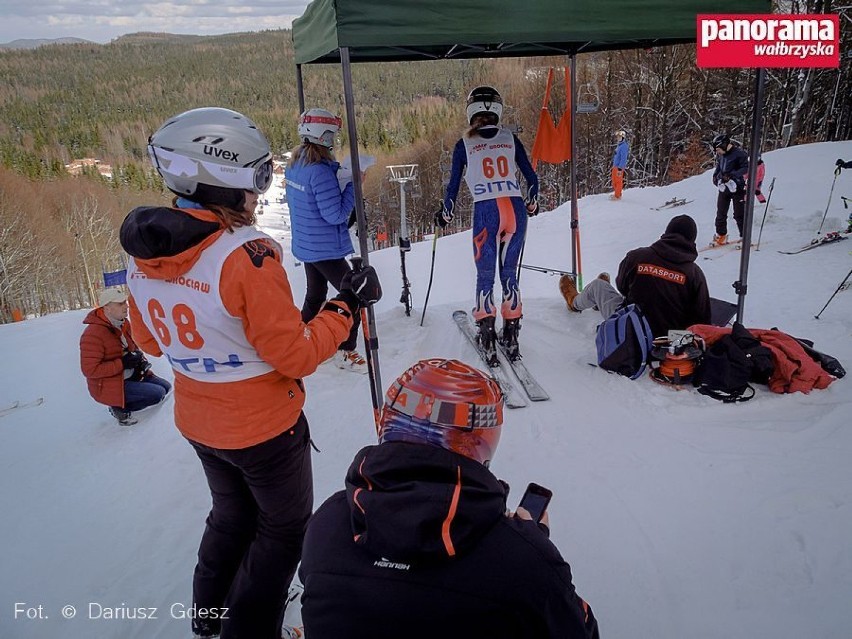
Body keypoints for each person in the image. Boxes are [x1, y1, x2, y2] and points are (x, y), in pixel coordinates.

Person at [119, 107, 381, 639]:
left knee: (231, 516)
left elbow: (147, 339)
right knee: (282, 531)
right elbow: (296, 355)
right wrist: (346, 305)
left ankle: (209, 616)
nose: (262, 191)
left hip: (199, 420)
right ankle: (248, 628)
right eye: (259, 176)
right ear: (225, 178)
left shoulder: (145, 255)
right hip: (264, 428)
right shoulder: (247, 255)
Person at [299, 358, 600, 639]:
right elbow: (580, 629)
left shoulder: (327, 522)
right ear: (482, 440)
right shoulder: (525, 562)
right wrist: (535, 546)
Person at [435, 86, 539, 363]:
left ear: (471, 111)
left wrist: (445, 213)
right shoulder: (510, 138)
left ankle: (487, 334)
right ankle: (512, 335)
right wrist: (533, 202)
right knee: (509, 273)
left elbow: (453, 187)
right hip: (515, 209)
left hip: (486, 209)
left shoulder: (464, 144)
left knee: (485, 276)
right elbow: (532, 178)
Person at [285, 108, 366, 374]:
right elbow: (336, 215)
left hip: (308, 245)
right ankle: (345, 350)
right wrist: (354, 184)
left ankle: (298, 343)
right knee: (353, 296)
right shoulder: (319, 172)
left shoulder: (297, 164)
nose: (333, 139)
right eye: (331, 134)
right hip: (324, 247)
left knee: (315, 294)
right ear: (321, 136)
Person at [559, 214, 711, 338]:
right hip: (671, 341)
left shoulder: (638, 257)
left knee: (598, 286)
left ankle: (574, 303)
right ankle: (598, 303)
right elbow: (702, 319)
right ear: (692, 242)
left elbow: (622, 287)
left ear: (666, 234)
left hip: (631, 330)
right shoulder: (695, 274)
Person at [79, 287, 172, 426]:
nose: (126, 306)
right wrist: (122, 363)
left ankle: (132, 393)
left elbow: (134, 347)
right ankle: (119, 408)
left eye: (125, 302)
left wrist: (140, 361)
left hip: (131, 374)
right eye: (120, 304)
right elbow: (90, 370)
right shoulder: (93, 334)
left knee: (166, 387)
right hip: (109, 384)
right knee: (157, 394)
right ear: (107, 308)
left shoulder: (124, 323)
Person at [709, 133, 749, 247]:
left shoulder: (740, 154)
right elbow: (719, 167)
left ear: (725, 145)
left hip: (738, 188)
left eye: (718, 149)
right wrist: (715, 177)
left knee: (739, 214)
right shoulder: (721, 155)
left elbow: (745, 168)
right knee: (721, 213)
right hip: (724, 187)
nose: (717, 152)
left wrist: (732, 175)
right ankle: (721, 235)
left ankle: (744, 237)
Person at [610, 129, 629, 200]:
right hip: (615, 166)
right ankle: (616, 193)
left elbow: (624, 158)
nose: (618, 138)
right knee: (614, 180)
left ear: (623, 138)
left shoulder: (624, 146)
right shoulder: (619, 146)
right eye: (617, 137)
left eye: (619, 137)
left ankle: (617, 195)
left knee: (618, 181)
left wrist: (620, 167)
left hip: (619, 167)